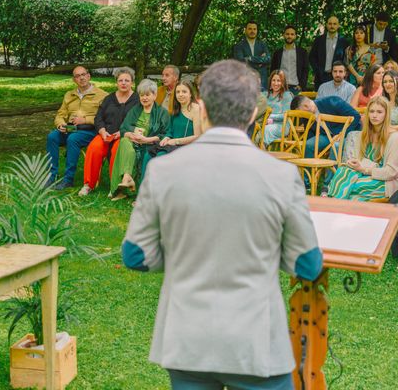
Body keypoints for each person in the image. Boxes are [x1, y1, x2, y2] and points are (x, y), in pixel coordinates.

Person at [122, 59, 322, 389]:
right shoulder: (282, 176)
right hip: (255, 341)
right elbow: (308, 264)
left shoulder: (163, 172)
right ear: (253, 115)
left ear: (200, 110)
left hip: (188, 338)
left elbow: (136, 256)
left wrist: (182, 255)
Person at [78, 67, 139, 197]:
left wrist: (122, 132)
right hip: (106, 134)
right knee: (94, 148)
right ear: (116, 82)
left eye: (127, 80)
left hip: (124, 135)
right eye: (120, 80)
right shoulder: (109, 98)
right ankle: (88, 184)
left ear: (132, 83)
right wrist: (102, 130)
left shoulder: (137, 100)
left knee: (117, 150)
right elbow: (98, 117)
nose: (123, 83)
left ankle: (115, 186)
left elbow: (138, 121)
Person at [46, 66, 107, 190]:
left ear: (89, 76)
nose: (81, 78)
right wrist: (60, 123)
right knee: (52, 136)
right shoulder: (69, 95)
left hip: (91, 130)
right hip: (71, 128)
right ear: (74, 80)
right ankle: (51, 175)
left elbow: (106, 118)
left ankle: (68, 179)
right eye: (77, 76)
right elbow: (60, 114)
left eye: (83, 74)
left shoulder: (102, 95)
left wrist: (85, 120)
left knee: (73, 139)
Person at [109, 79, 169, 201]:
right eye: (142, 95)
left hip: (150, 144)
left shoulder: (162, 113)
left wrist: (146, 139)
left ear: (155, 95)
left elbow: (165, 134)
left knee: (126, 146)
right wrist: (130, 134)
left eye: (147, 95)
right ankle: (127, 178)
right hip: (133, 143)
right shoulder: (135, 110)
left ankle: (126, 184)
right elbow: (123, 129)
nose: (144, 98)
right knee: (125, 141)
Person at [328, 96, 398, 201]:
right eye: (372, 111)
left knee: (352, 188)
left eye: (379, 112)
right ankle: (334, 205)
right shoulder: (364, 135)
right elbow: (359, 162)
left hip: (385, 182)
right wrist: (356, 165)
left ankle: (330, 204)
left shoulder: (394, 137)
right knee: (343, 171)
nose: (374, 115)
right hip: (363, 175)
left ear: (386, 114)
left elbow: (391, 173)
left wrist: (364, 169)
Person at [291, 94, 362, 193]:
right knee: (309, 145)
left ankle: (327, 184)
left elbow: (356, 116)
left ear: (305, 107)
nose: (301, 115)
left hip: (349, 133)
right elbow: (311, 134)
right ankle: (308, 183)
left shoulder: (332, 101)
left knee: (336, 146)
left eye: (300, 111)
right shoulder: (306, 116)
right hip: (327, 135)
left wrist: (342, 134)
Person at [156, 80, 201, 154]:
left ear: (190, 94)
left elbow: (197, 136)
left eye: (184, 91)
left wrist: (176, 141)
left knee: (160, 155)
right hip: (172, 146)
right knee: (148, 155)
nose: (180, 94)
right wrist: (166, 138)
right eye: (178, 92)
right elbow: (170, 131)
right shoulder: (176, 109)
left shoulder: (196, 109)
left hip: (187, 148)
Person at [309, 16, 349, 89]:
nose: (332, 26)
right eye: (330, 24)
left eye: (334, 24)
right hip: (321, 77)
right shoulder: (319, 40)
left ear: (338, 25)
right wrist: (317, 71)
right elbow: (312, 57)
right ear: (326, 25)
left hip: (337, 77)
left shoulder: (343, 41)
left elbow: (346, 59)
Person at [270, 25, 309, 93]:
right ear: (284, 35)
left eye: (292, 34)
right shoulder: (277, 53)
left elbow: (305, 70)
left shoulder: (302, 52)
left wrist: (301, 85)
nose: (289, 36)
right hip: (280, 87)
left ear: (295, 36)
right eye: (287, 34)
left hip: (296, 88)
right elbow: (273, 70)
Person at [233, 20, 271, 89]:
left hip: (262, 82)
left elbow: (268, 59)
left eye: (254, 29)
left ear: (257, 31)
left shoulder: (262, 45)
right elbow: (241, 61)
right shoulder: (239, 46)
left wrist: (250, 58)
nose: (252, 31)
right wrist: (260, 60)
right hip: (246, 83)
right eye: (250, 29)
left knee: (262, 100)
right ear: (245, 30)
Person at [262, 70, 293, 147]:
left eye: (279, 81)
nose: (276, 83)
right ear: (270, 82)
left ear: (283, 82)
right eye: (274, 80)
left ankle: (261, 153)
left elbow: (285, 115)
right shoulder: (265, 94)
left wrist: (269, 117)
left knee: (266, 130)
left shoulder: (287, 96)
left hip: (281, 125)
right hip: (264, 123)